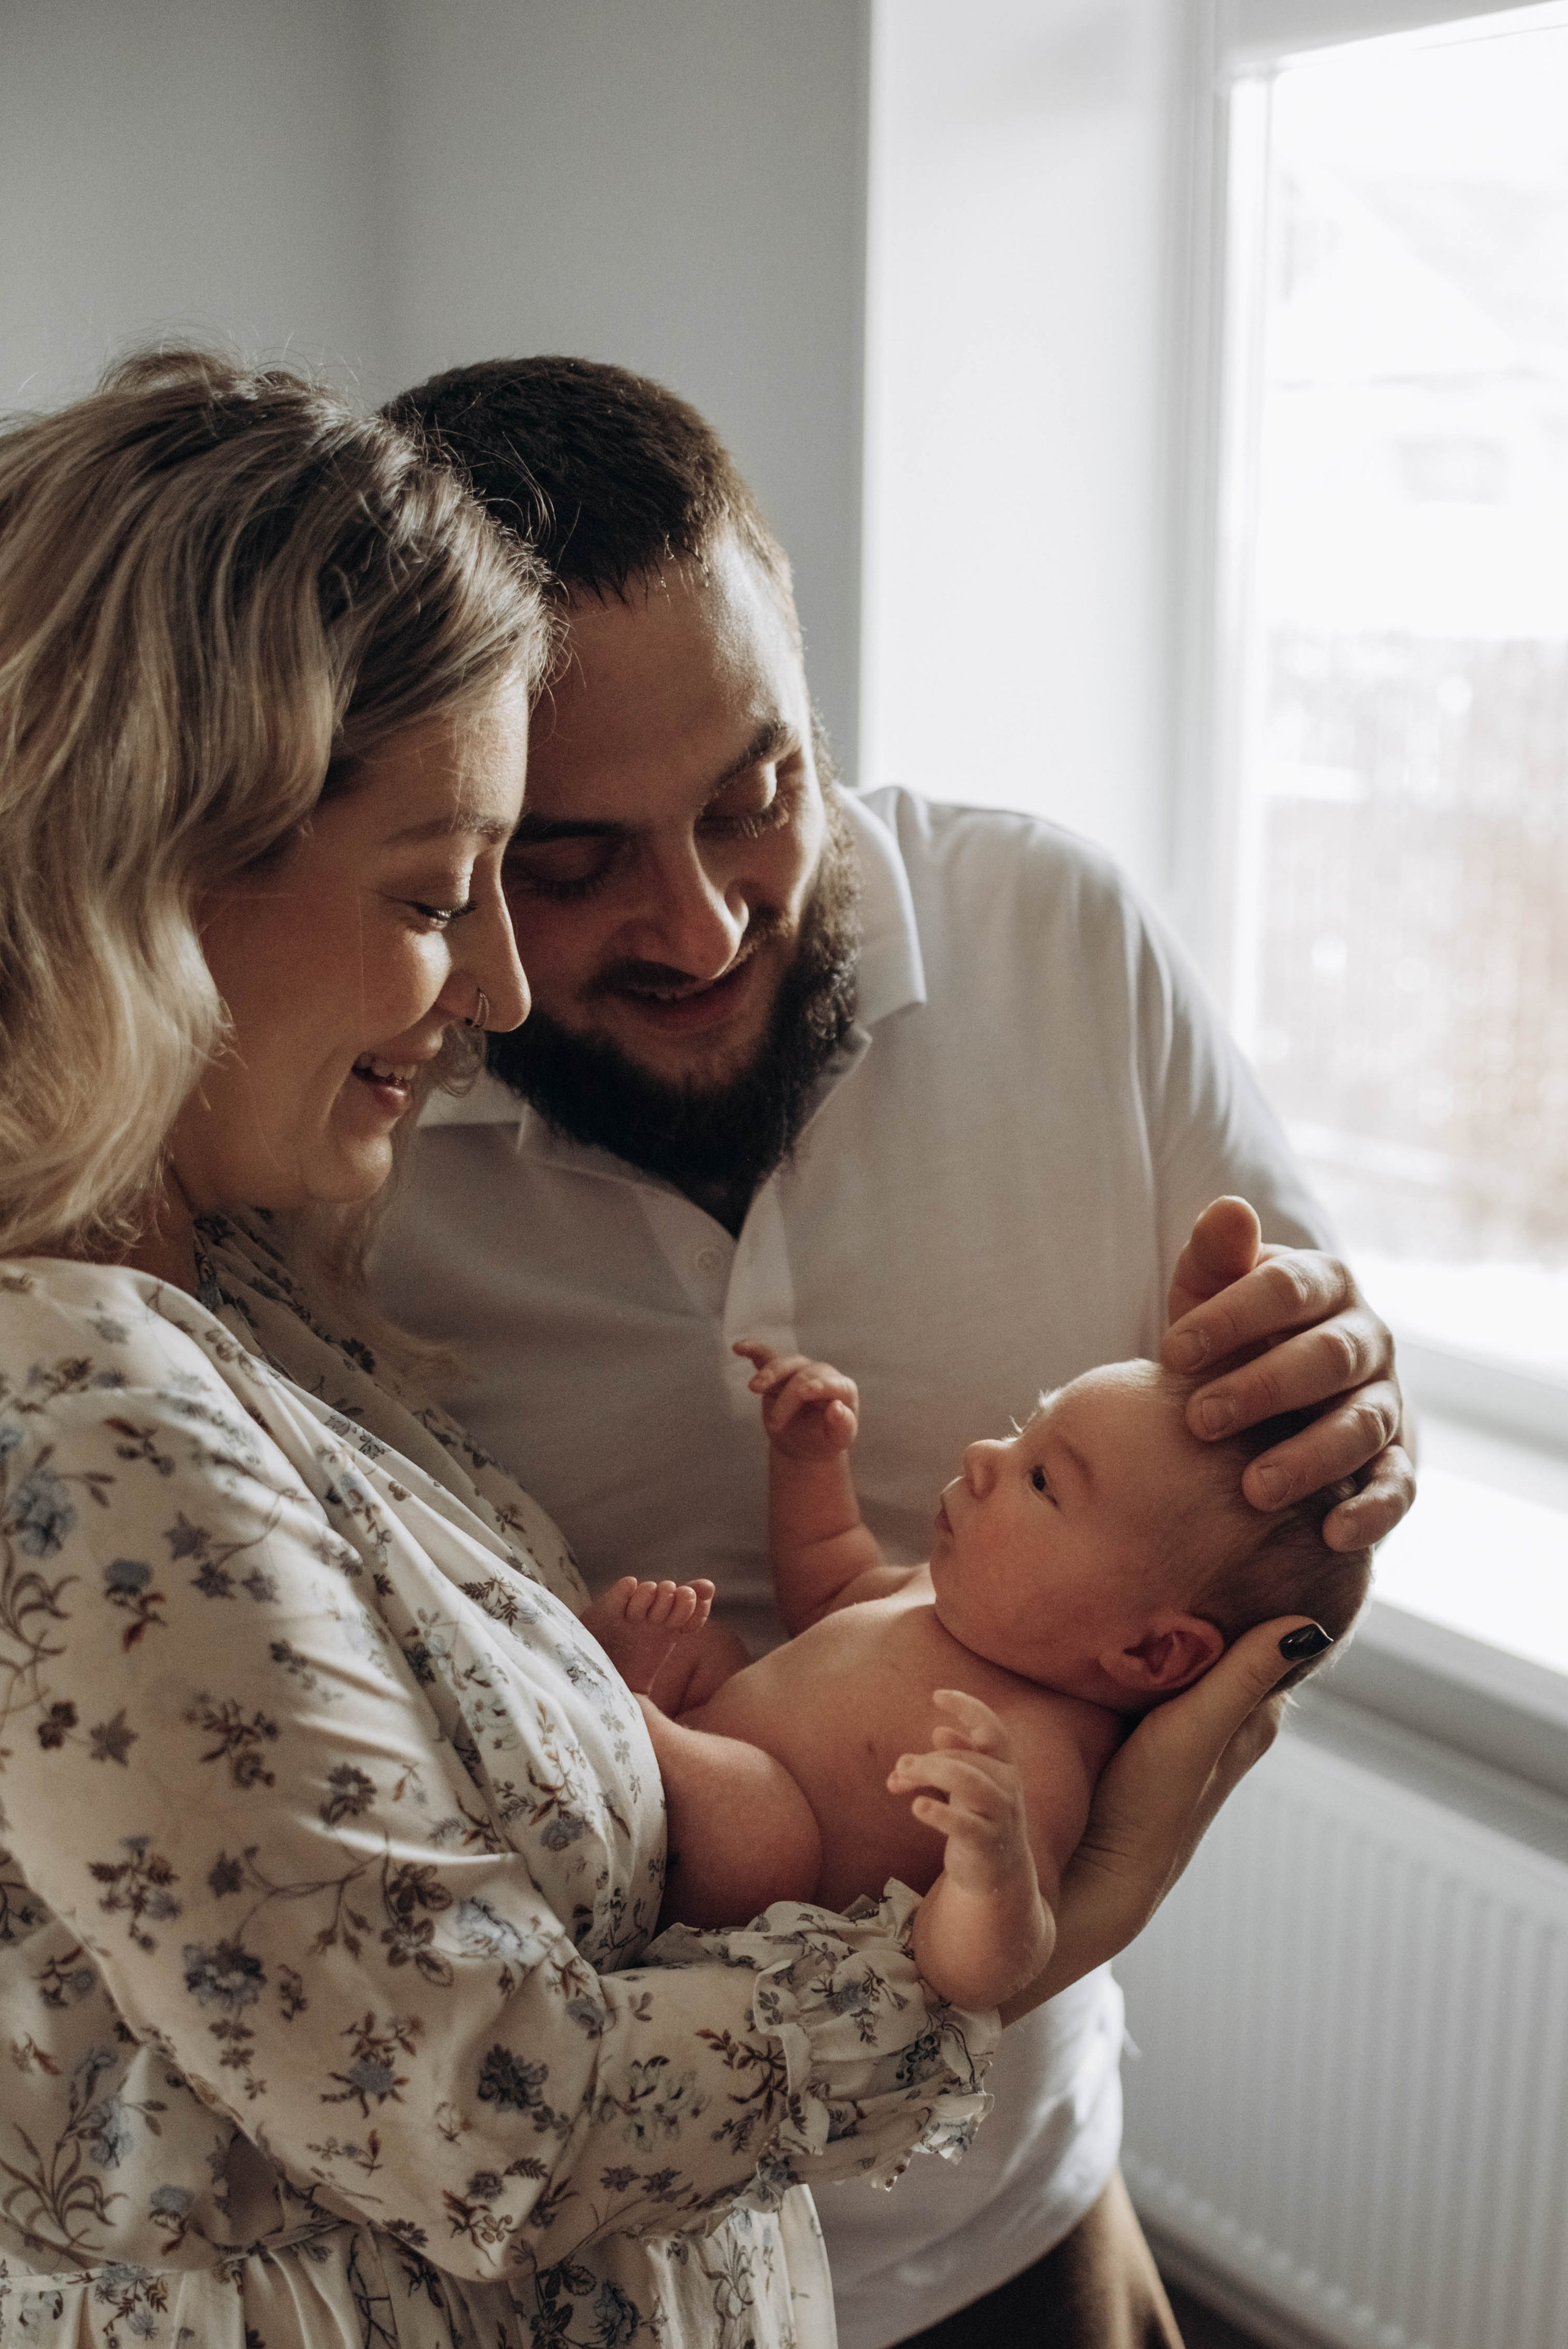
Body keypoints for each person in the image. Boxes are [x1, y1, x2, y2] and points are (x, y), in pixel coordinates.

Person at [0, 346, 1136, 2349]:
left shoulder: (233, 1281)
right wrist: (1056, 1908)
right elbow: (489, 2118)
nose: (501, 987)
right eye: (452, 890)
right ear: (153, 873)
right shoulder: (75, 1409)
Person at [373, 356, 1414, 2348]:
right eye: (571, 863)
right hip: (566, 2280)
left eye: (754, 793)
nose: (702, 925)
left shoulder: (1058, 940)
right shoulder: (341, 1115)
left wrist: (1350, 1432)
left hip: (1015, 2221)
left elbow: (1291, 1546)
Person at [584, 1296, 1370, 2007]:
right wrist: (809, 1462)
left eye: (1042, 1480)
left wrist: (992, 1872)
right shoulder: (943, 1590)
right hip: (703, 1749)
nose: (982, 1454)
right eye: (1024, 1427)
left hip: (726, 1869)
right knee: (707, 1643)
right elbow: (830, 1586)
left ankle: (625, 1713)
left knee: (767, 1834)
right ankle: (626, 1708)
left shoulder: (1032, 1752)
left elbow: (980, 1974)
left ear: (1153, 1651)